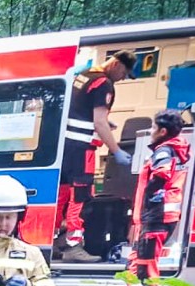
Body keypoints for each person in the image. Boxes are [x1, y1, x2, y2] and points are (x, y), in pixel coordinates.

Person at [55, 49, 135, 263]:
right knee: (79, 197)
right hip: (82, 150)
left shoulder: (86, 75)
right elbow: (99, 122)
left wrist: (103, 123)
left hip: (66, 148)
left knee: (62, 196)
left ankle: (55, 241)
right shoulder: (104, 83)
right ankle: (73, 247)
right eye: (125, 74)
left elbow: (79, 109)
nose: (123, 78)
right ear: (117, 64)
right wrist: (117, 151)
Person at [126, 109, 191, 286]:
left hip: (155, 218)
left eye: (153, 128)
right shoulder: (176, 149)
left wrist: (149, 201)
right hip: (160, 217)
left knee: (144, 269)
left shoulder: (164, 150)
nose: (151, 132)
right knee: (134, 265)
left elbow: (161, 175)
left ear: (163, 131)